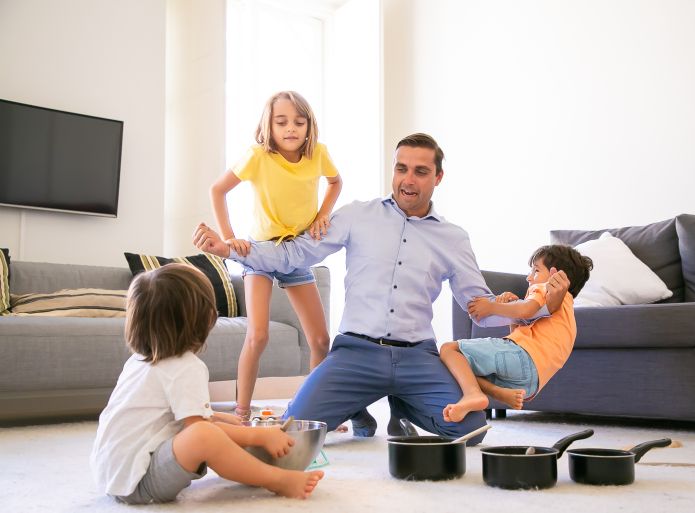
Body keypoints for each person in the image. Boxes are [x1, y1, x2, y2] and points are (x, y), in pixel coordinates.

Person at [193, 133, 570, 446]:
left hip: (417, 358)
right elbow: (296, 253)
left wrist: (540, 307)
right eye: (401, 168)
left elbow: (478, 308)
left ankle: (401, 401)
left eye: (421, 172)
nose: (408, 179)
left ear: (438, 177)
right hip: (356, 352)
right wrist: (231, 248)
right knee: (297, 432)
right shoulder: (358, 215)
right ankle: (359, 403)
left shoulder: (453, 239)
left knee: (471, 430)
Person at [90, 264, 324, 504]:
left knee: (217, 423)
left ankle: (249, 464)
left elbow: (170, 416)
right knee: (204, 434)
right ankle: (277, 479)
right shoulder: (185, 366)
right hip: (139, 481)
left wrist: (220, 419)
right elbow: (197, 430)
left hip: (115, 475)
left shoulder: (139, 362)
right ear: (207, 318)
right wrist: (258, 436)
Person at [209, 91, 342, 421]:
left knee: (321, 339)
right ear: (268, 125)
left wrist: (322, 214)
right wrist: (229, 237)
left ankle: (315, 409)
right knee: (258, 335)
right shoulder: (258, 156)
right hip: (261, 256)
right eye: (281, 122)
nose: (291, 129)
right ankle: (241, 412)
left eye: (299, 122)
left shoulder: (318, 154)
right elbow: (218, 190)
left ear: (309, 126)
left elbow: (335, 182)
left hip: (296, 254)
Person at [441, 245, 593, 423]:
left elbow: (526, 310)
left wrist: (491, 306)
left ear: (555, 275)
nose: (529, 277)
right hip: (531, 382)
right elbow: (520, 329)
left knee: (449, 350)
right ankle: (498, 393)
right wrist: (513, 311)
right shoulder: (565, 313)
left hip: (522, 357)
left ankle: (472, 394)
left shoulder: (546, 288)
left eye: (536, 270)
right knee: (462, 370)